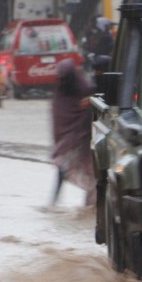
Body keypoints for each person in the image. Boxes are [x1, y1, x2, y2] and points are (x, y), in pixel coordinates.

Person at [50, 59, 95, 205]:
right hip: (69, 140)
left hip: (83, 137)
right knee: (64, 168)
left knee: (90, 170)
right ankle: (55, 201)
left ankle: (88, 204)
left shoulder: (84, 89)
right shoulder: (61, 92)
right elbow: (58, 120)